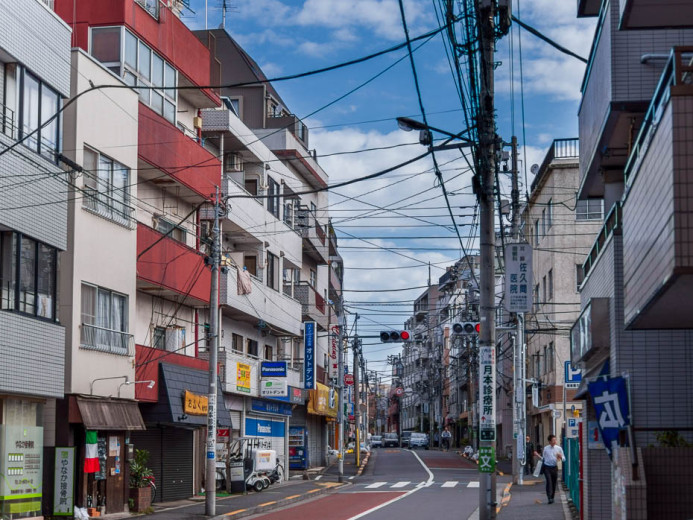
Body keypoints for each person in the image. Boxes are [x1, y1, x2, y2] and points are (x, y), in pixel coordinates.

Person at [534, 434, 564, 504]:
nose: (555, 441)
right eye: (553, 440)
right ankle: (549, 498)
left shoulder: (559, 448)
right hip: (547, 467)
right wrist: (538, 455)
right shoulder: (546, 448)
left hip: (554, 467)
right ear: (549, 441)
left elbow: (564, 459)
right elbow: (544, 458)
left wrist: (561, 457)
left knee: (554, 483)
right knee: (549, 482)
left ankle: (552, 497)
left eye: (555, 440)